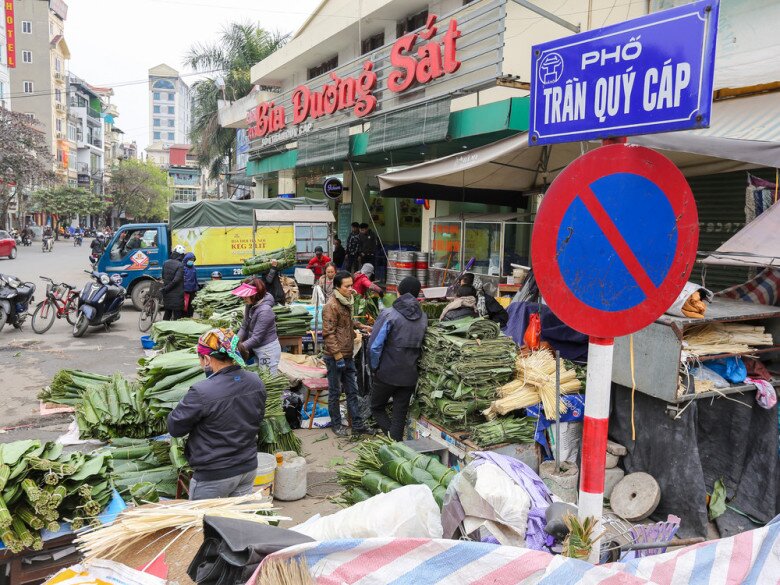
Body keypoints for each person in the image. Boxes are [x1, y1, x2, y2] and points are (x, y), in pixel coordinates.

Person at [167, 328, 266, 500]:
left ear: (206, 359)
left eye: (200, 358)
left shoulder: (202, 391)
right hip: (247, 468)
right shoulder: (256, 382)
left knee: (205, 524)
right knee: (238, 523)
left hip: (214, 475)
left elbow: (175, 428)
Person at [368, 277, 427, 440]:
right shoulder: (423, 318)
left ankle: (393, 442)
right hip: (410, 374)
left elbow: (374, 346)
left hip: (387, 371)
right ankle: (396, 443)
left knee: (376, 407)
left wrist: (374, 368)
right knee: (399, 414)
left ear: (398, 292)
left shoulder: (389, 314)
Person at [322, 271, 374, 437]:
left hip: (348, 355)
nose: (351, 289)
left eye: (352, 285)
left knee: (352, 391)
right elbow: (328, 333)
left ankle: (357, 425)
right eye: (347, 286)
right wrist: (337, 356)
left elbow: (347, 322)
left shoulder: (346, 302)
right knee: (335, 392)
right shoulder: (331, 305)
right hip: (334, 357)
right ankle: (336, 424)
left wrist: (361, 326)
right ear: (338, 287)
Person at [234, 278, 282, 374]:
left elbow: (257, 338)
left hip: (268, 351)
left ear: (255, 294)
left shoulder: (265, 311)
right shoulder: (250, 304)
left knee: (268, 381)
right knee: (260, 376)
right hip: (256, 348)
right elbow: (244, 326)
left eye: (246, 296)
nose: (244, 298)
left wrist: (238, 348)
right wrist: (234, 341)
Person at [161, 245, 186, 320]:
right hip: (177, 294)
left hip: (167, 293)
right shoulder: (180, 265)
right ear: (181, 255)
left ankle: (163, 329)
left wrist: (165, 288)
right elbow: (176, 280)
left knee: (167, 312)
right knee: (177, 316)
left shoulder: (166, 263)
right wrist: (167, 288)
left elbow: (163, 276)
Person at [183, 252, 199, 318]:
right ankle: (184, 318)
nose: (191, 261)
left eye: (192, 260)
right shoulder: (182, 268)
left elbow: (195, 278)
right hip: (185, 291)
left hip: (192, 290)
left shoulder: (193, 268)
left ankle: (190, 317)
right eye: (190, 260)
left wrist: (197, 287)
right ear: (186, 260)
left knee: (191, 306)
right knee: (184, 306)